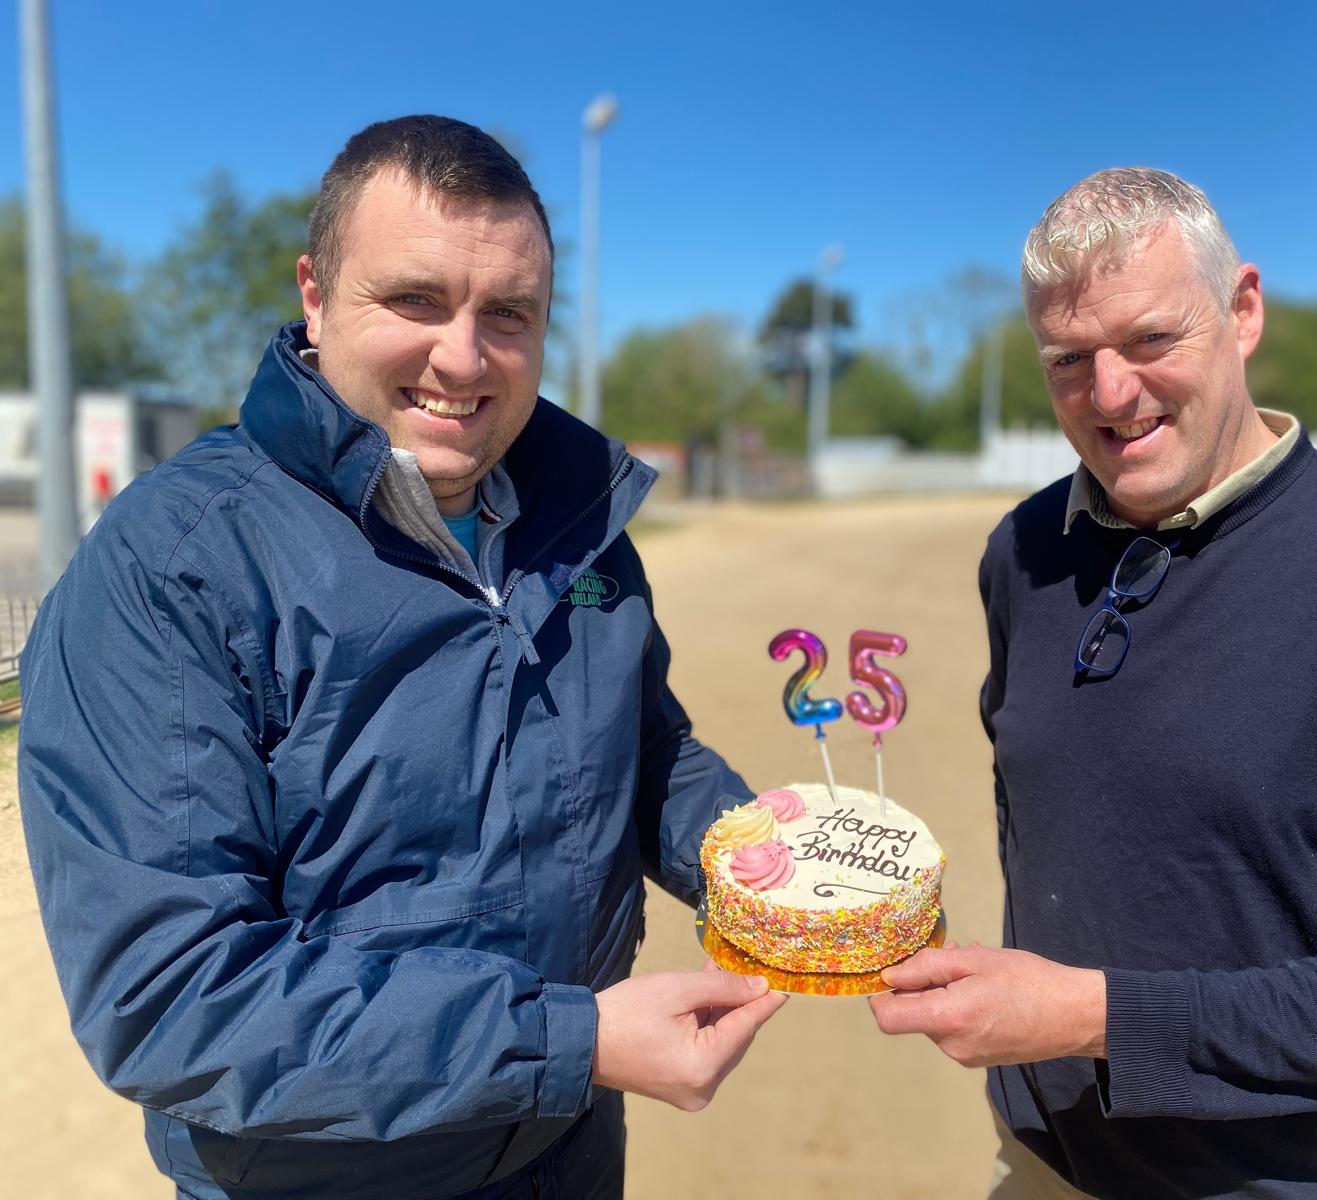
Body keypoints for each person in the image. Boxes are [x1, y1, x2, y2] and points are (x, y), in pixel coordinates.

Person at [18, 115, 784, 1200]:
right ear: (316, 296)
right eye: (415, 299)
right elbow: (169, 995)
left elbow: (643, 753)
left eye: (507, 315)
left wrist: (769, 870)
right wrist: (568, 1044)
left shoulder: (578, 518)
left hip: (564, 1149)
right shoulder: (173, 567)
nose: (463, 357)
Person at [870, 168, 1317, 1198]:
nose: (1109, 395)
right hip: (1052, 1165)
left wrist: (1091, 1017)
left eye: (1151, 341)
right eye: (1068, 358)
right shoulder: (1023, 552)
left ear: (1241, 311)